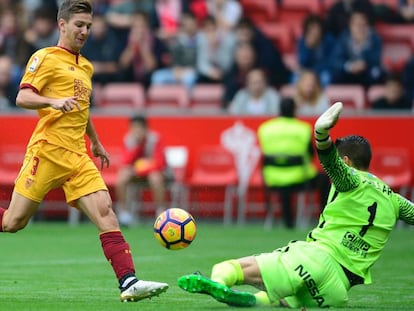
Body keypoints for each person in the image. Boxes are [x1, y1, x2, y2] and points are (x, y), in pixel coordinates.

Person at [4, 0, 168, 303]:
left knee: (106, 212)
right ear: (62, 24)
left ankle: (128, 281)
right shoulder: (45, 57)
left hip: (78, 154)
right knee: (13, 223)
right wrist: (52, 102)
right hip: (48, 151)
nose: (85, 31)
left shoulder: (86, 66)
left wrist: (95, 140)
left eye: (89, 26)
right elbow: (22, 97)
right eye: (79, 25)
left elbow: (82, 108)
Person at [177, 101, 414, 308]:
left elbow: (330, 161)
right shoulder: (393, 199)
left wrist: (321, 133)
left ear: (347, 161)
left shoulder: (350, 179)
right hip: (338, 289)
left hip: (316, 259)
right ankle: (252, 302)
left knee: (227, 268)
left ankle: (219, 283)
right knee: (276, 301)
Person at [256, 98, 329, 228]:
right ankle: (325, 218)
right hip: (299, 178)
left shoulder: (265, 128)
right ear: (295, 110)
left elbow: (264, 152)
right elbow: (311, 154)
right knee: (324, 178)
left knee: (285, 184)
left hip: (273, 179)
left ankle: (288, 221)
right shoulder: (303, 129)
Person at [116, 115, 170, 227]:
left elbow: (159, 163)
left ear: (145, 128)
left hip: (156, 173)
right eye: (133, 128)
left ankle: (160, 213)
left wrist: (140, 169)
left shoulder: (155, 139)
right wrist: (137, 146)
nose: (136, 131)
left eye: (138, 128)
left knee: (154, 177)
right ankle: (124, 214)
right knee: (122, 177)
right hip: (137, 173)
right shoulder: (129, 140)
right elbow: (126, 162)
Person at [329, 10, 385, 88]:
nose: (360, 28)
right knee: (334, 74)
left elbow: (376, 59)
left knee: (377, 73)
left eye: (363, 24)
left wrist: (363, 46)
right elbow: (336, 59)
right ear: (350, 25)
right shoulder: (343, 38)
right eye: (357, 24)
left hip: (366, 71)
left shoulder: (374, 38)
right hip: (348, 71)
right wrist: (349, 66)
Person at [296, 15, 335, 87]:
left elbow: (331, 62)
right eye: (310, 29)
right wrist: (308, 48)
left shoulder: (329, 40)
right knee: (295, 78)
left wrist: (314, 71)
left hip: (322, 71)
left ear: (321, 29)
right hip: (307, 72)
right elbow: (302, 62)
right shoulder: (303, 41)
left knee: (326, 77)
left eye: (316, 28)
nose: (313, 32)